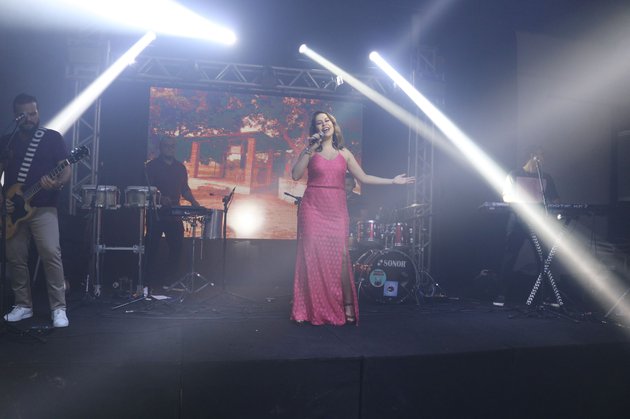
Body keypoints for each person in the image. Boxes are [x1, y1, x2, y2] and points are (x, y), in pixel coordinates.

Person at [290, 111, 414, 325]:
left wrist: (392, 181)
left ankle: (344, 304)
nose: (324, 124)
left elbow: (364, 177)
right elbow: (295, 175)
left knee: (340, 258)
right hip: (313, 208)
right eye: (319, 123)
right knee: (312, 256)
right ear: (315, 129)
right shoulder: (310, 150)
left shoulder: (345, 153)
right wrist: (309, 148)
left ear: (333, 124)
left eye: (327, 120)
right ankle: (308, 308)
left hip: (336, 210)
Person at [1, 93, 71, 328]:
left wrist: (57, 182)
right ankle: (23, 305)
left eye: (34, 113)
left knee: (51, 253)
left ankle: (58, 308)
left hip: (44, 207)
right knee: (15, 258)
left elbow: (65, 168)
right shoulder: (7, 142)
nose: (31, 118)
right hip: (13, 210)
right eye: (25, 115)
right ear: (16, 116)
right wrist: (2, 200)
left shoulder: (52, 138)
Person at [494, 147, 559, 307]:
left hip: (538, 222)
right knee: (510, 256)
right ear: (532, 155)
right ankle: (501, 294)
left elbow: (555, 199)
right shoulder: (514, 174)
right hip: (518, 221)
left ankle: (547, 296)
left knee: (543, 258)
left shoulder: (545, 177)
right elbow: (506, 196)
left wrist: (553, 207)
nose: (543, 160)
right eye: (541, 156)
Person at [145, 138, 200, 292]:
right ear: (161, 148)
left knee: (177, 246)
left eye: (172, 146)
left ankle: (169, 281)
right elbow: (147, 188)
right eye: (167, 146)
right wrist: (160, 198)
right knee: (151, 247)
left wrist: (194, 202)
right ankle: (147, 282)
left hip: (174, 213)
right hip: (156, 212)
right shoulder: (151, 166)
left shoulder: (180, 168)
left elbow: (184, 189)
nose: (170, 148)